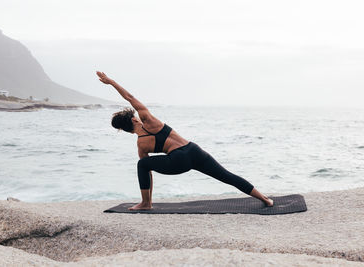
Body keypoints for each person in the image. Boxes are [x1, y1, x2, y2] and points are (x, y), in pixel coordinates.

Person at [96, 71, 274, 210]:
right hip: (194, 150)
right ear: (134, 119)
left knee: (142, 164)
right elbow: (130, 98)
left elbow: (147, 172)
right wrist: (111, 82)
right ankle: (264, 198)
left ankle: (145, 203)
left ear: (125, 130)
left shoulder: (141, 144)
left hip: (178, 161)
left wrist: (148, 199)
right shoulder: (149, 120)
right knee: (226, 176)